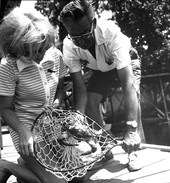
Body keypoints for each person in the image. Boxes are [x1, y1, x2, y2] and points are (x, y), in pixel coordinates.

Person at [59, 0, 145, 171]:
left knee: (134, 93)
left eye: (84, 35)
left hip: (126, 61)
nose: (80, 42)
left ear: (94, 23)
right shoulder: (69, 45)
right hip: (100, 68)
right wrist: (78, 118)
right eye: (74, 37)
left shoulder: (110, 32)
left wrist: (130, 127)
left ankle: (134, 148)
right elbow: (79, 88)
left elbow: (127, 83)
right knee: (90, 103)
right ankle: (106, 149)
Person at [0, 7, 68, 183]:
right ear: (17, 47)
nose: (41, 55)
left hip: (51, 128)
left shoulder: (55, 54)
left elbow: (60, 89)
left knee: (77, 176)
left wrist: (57, 104)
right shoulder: (8, 66)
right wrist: (24, 132)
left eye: (43, 48)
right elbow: (5, 109)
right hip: (27, 131)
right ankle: (6, 165)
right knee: (57, 182)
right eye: (34, 51)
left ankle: (25, 166)